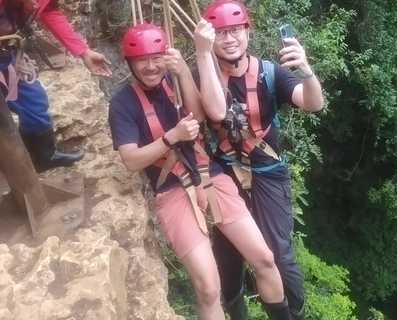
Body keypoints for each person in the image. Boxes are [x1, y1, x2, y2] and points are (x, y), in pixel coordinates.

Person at [108, 21, 293, 320]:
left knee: (265, 259)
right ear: (130, 63)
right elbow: (131, 160)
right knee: (208, 288)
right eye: (141, 60)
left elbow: (201, 114)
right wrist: (171, 137)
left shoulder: (176, 78)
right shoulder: (122, 104)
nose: (151, 66)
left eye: (156, 58)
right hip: (171, 189)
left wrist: (182, 71)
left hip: (210, 174)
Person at [199, 1, 324, 319]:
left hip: (268, 170)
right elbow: (212, 112)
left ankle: (294, 314)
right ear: (210, 38)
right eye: (221, 33)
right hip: (225, 173)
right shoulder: (203, 76)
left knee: (278, 255)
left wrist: (306, 71)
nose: (229, 39)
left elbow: (312, 103)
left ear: (247, 32)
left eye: (236, 30)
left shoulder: (271, 74)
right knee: (227, 254)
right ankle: (237, 309)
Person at [0, 0, 112, 173]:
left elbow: (49, 12)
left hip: (6, 56)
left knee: (34, 102)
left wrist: (84, 52)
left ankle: (44, 157)